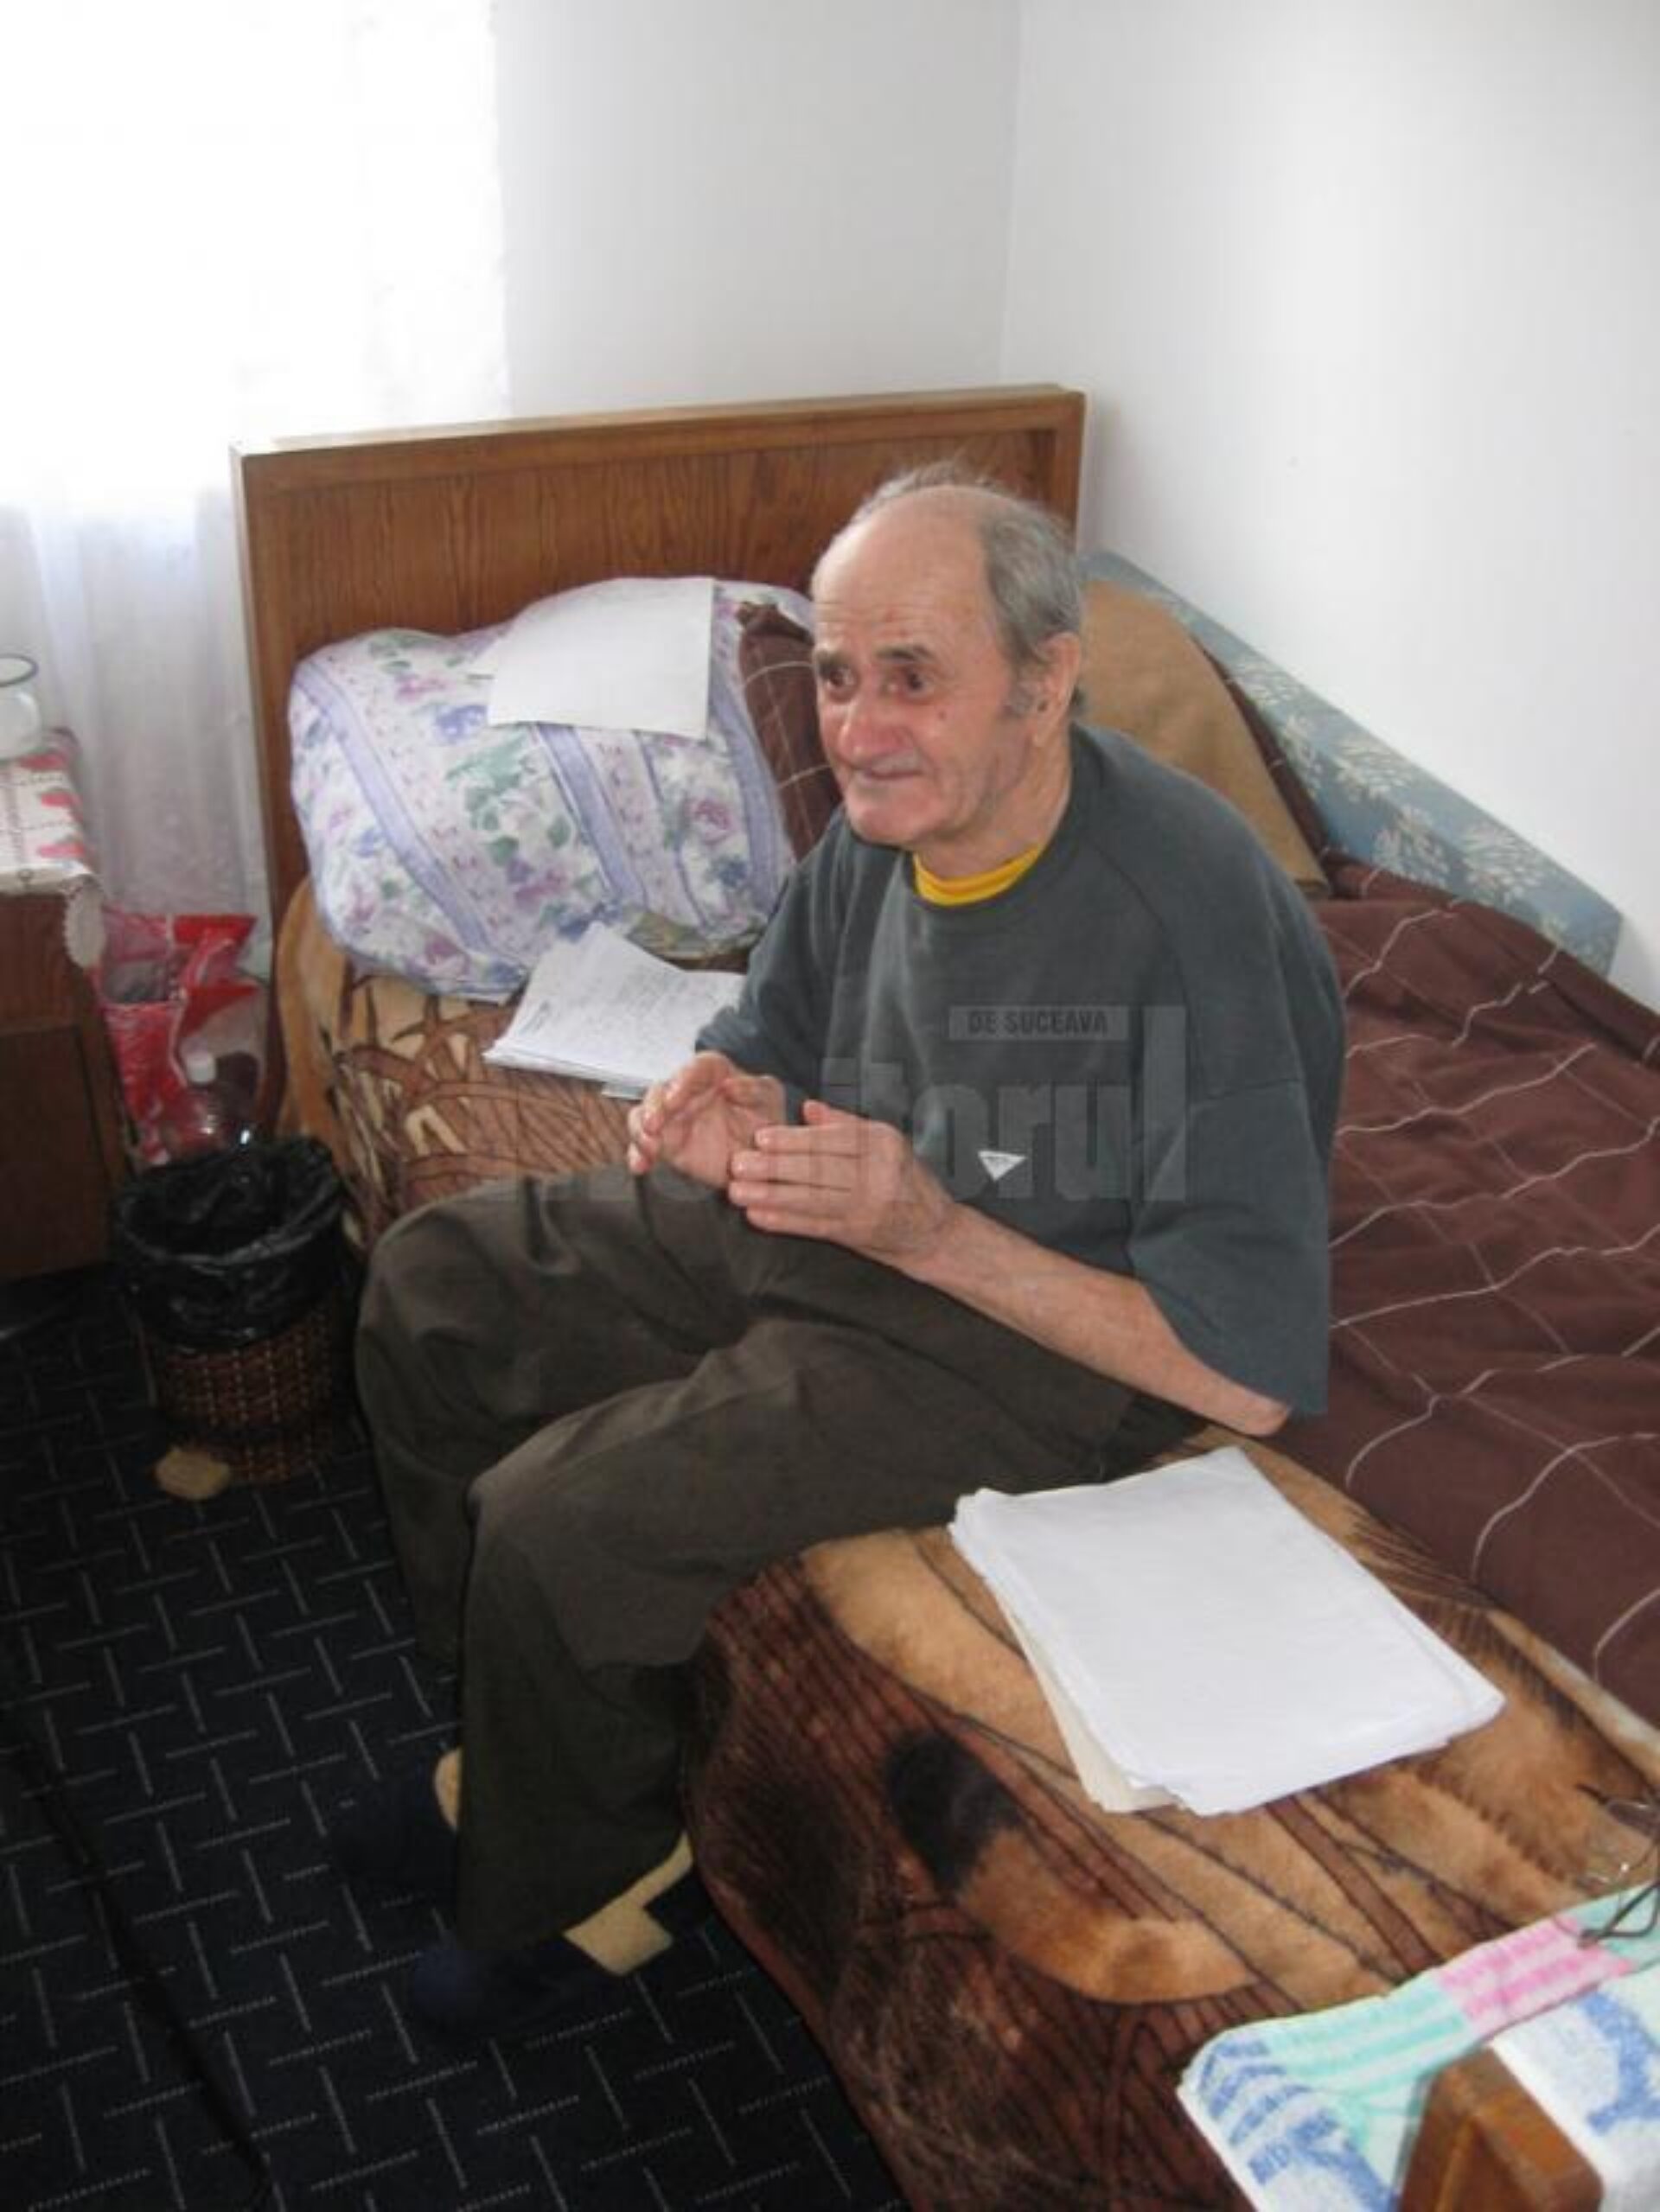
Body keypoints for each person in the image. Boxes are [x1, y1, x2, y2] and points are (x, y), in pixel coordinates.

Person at [341, 469, 1345, 2042]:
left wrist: (932, 1232)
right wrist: (723, 1097)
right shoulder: (887, 821)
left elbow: (1248, 1374)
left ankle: (594, 1870)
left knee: (551, 1523)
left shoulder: (1183, 918)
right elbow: (774, 1030)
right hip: (859, 1209)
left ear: (1046, 683)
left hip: (1048, 1341)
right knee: (431, 1289)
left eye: (914, 677)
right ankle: (522, 1740)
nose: (860, 728)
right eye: (835, 675)